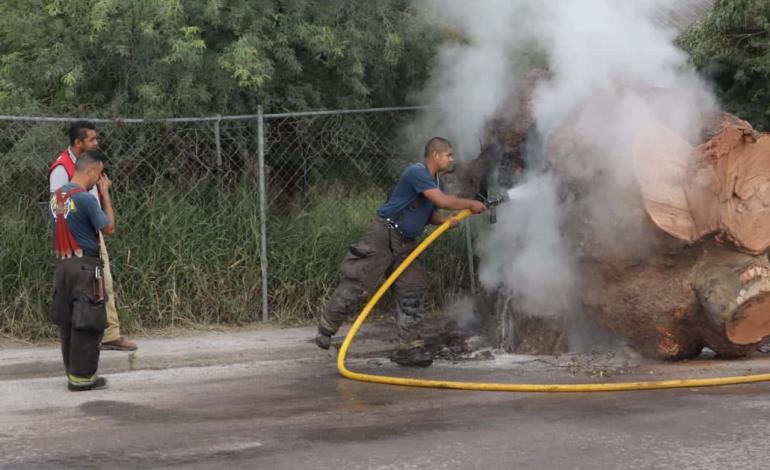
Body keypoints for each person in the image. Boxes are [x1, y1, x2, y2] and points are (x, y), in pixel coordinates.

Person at [315, 137, 487, 366]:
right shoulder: (417, 173)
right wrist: (470, 204)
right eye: (449, 155)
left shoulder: (438, 184)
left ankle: (409, 347)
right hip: (384, 234)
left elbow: (431, 213)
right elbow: (442, 201)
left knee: (412, 291)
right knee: (360, 281)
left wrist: (445, 221)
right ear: (435, 155)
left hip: (408, 243)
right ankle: (327, 326)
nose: (451, 159)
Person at [49, 121, 137, 352]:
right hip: (76, 240)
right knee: (89, 287)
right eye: (91, 140)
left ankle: (107, 334)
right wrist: (68, 240)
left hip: (92, 231)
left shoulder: (88, 164)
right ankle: (88, 336)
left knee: (103, 284)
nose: (96, 143)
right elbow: (58, 206)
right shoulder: (61, 169)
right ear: (78, 143)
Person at [50, 150, 115, 391]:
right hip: (85, 267)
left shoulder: (57, 196)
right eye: (99, 174)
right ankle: (83, 378)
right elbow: (109, 228)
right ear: (90, 171)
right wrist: (105, 195)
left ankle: (72, 372)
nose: (99, 179)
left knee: (67, 320)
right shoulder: (86, 198)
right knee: (88, 320)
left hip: (63, 266)